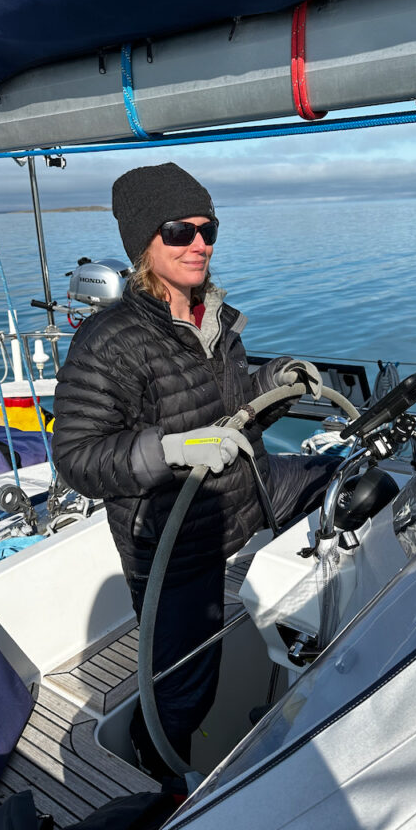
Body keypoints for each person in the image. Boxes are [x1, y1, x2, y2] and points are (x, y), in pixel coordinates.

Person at [52, 163, 339, 785]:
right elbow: (76, 458)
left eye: (208, 228)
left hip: (251, 489)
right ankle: (158, 791)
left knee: (347, 480)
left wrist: (279, 380)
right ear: (142, 246)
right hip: (178, 543)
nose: (199, 243)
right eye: (179, 231)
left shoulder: (217, 317)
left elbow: (236, 412)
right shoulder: (110, 341)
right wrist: (171, 448)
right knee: (182, 699)